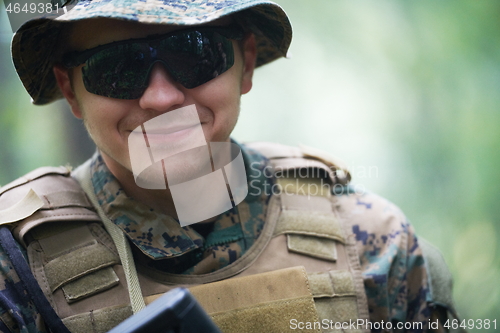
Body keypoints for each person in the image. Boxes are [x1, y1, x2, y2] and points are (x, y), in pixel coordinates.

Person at [0, 0, 460, 332]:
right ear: (70, 89)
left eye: (195, 53)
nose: (161, 99)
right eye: (116, 69)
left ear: (247, 62)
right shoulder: (16, 264)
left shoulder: (373, 241)